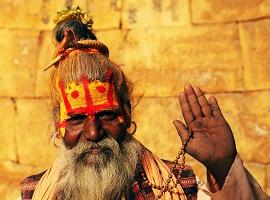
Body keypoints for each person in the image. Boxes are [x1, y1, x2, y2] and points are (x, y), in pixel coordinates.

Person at [20, 7, 269, 200]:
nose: (94, 133)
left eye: (107, 115)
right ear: (58, 124)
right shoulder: (34, 192)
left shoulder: (179, 186)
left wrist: (223, 167)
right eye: (76, 119)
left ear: (127, 114)